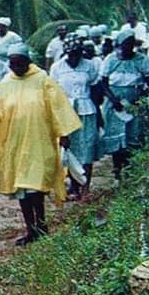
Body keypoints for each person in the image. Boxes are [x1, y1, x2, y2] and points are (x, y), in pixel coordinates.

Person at [0, 44, 81, 245]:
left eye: (19, 63)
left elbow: (57, 108)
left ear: (28, 62)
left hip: (39, 142)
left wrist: (63, 133)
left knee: (36, 187)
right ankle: (31, 229)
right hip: (15, 143)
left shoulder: (43, 81)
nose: (16, 67)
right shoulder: (5, 84)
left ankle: (41, 226)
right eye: (12, 64)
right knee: (22, 189)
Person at [49, 35, 100, 197]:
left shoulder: (89, 66)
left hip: (86, 110)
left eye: (77, 54)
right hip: (65, 111)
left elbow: (94, 89)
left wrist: (100, 117)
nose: (74, 57)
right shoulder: (57, 68)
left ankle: (85, 186)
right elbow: (53, 93)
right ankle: (74, 185)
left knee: (86, 147)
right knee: (69, 148)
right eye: (71, 54)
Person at [100, 28, 149, 179]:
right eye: (125, 44)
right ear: (119, 45)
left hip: (134, 103)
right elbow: (103, 83)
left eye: (130, 44)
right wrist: (113, 99)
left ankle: (131, 169)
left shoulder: (142, 60)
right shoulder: (111, 60)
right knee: (117, 137)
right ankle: (117, 169)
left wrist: (138, 98)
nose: (128, 48)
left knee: (133, 136)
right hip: (115, 104)